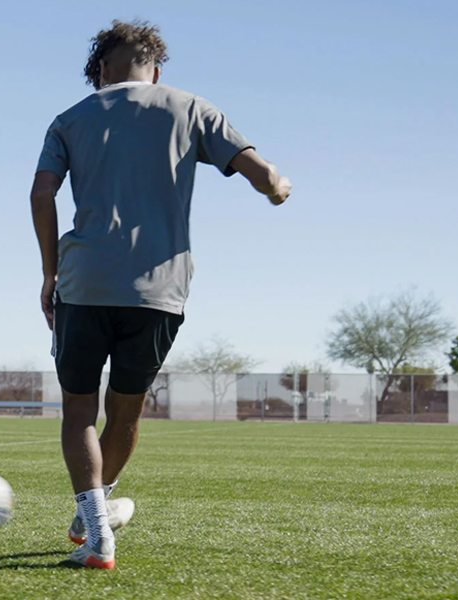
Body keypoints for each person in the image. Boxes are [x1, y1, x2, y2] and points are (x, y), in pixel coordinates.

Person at [30, 20, 291, 570]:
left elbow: (41, 193)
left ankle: (96, 526)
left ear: (100, 70)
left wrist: (50, 274)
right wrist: (277, 190)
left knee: (79, 409)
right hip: (159, 290)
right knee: (125, 413)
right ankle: (95, 515)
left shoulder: (70, 119)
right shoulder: (192, 108)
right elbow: (263, 173)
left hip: (85, 282)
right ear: (156, 68)